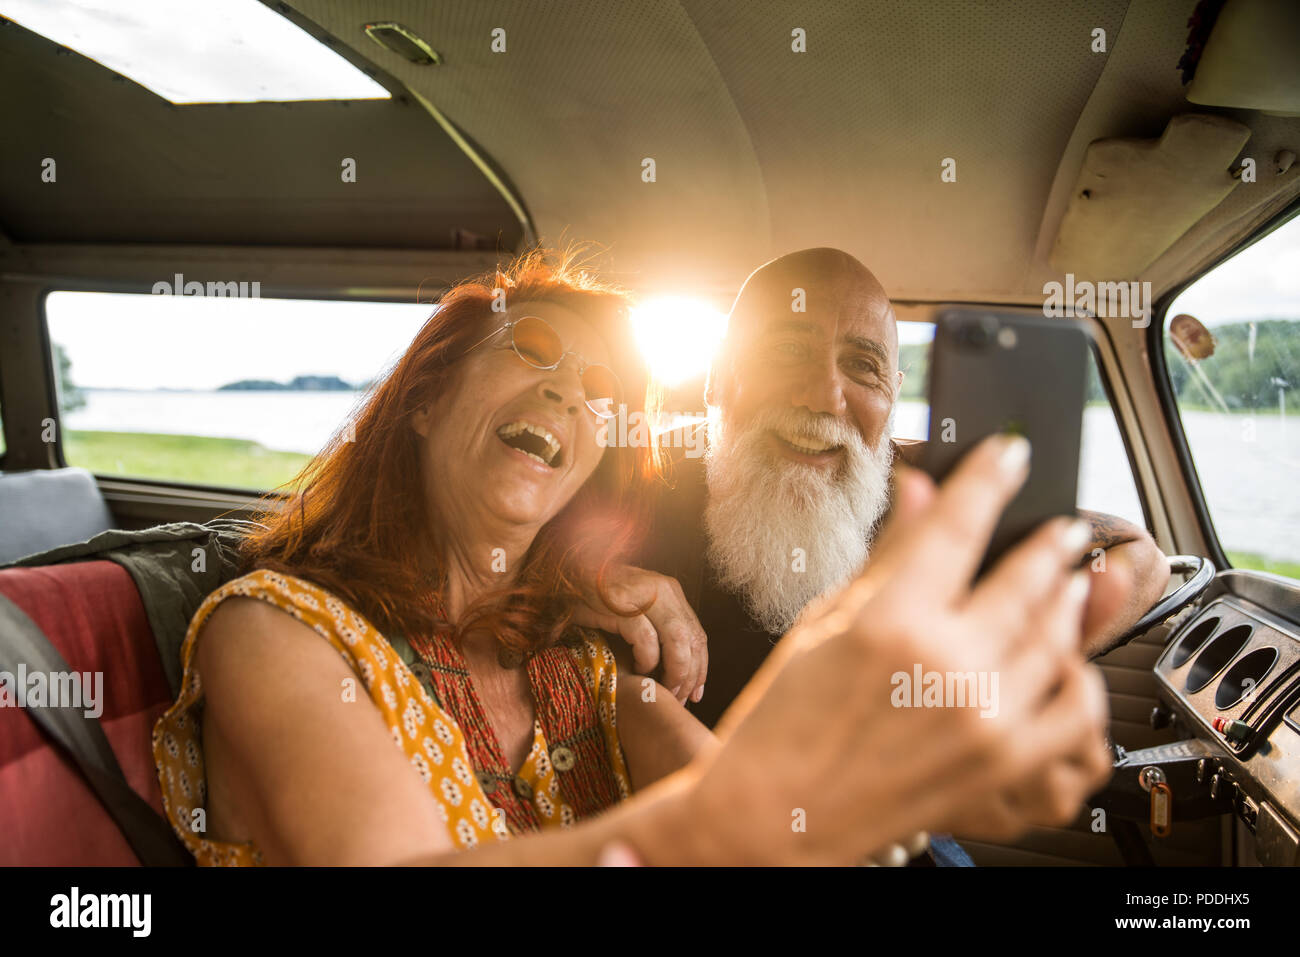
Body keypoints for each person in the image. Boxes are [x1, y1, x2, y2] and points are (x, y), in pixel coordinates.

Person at [152, 249, 1119, 865]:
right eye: (533, 351)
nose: (571, 395)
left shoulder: (587, 673)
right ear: (424, 396)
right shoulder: (272, 633)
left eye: (599, 387)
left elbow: (759, 817)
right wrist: (770, 793)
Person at [641, 247, 1172, 731]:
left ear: (893, 395)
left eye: (862, 366)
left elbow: (1138, 559)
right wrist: (593, 585)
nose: (826, 395)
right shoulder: (643, 471)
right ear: (717, 376)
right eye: (786, 349)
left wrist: (997, 678)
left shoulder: (930, 490)